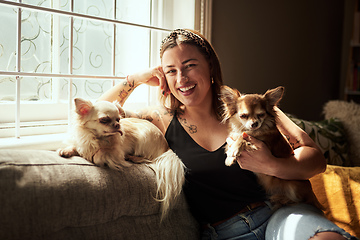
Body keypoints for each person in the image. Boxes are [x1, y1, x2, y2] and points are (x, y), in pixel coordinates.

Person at [98, 29, 357, 240]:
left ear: (210, 66)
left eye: (189, 66)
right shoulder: (161, 121)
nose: (182, 79)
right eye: (171, 71)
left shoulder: (250, 107)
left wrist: (272, 164)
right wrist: (136, 79)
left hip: (280, 215)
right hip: (225, 234)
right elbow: (97, 116)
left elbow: (316, 160)